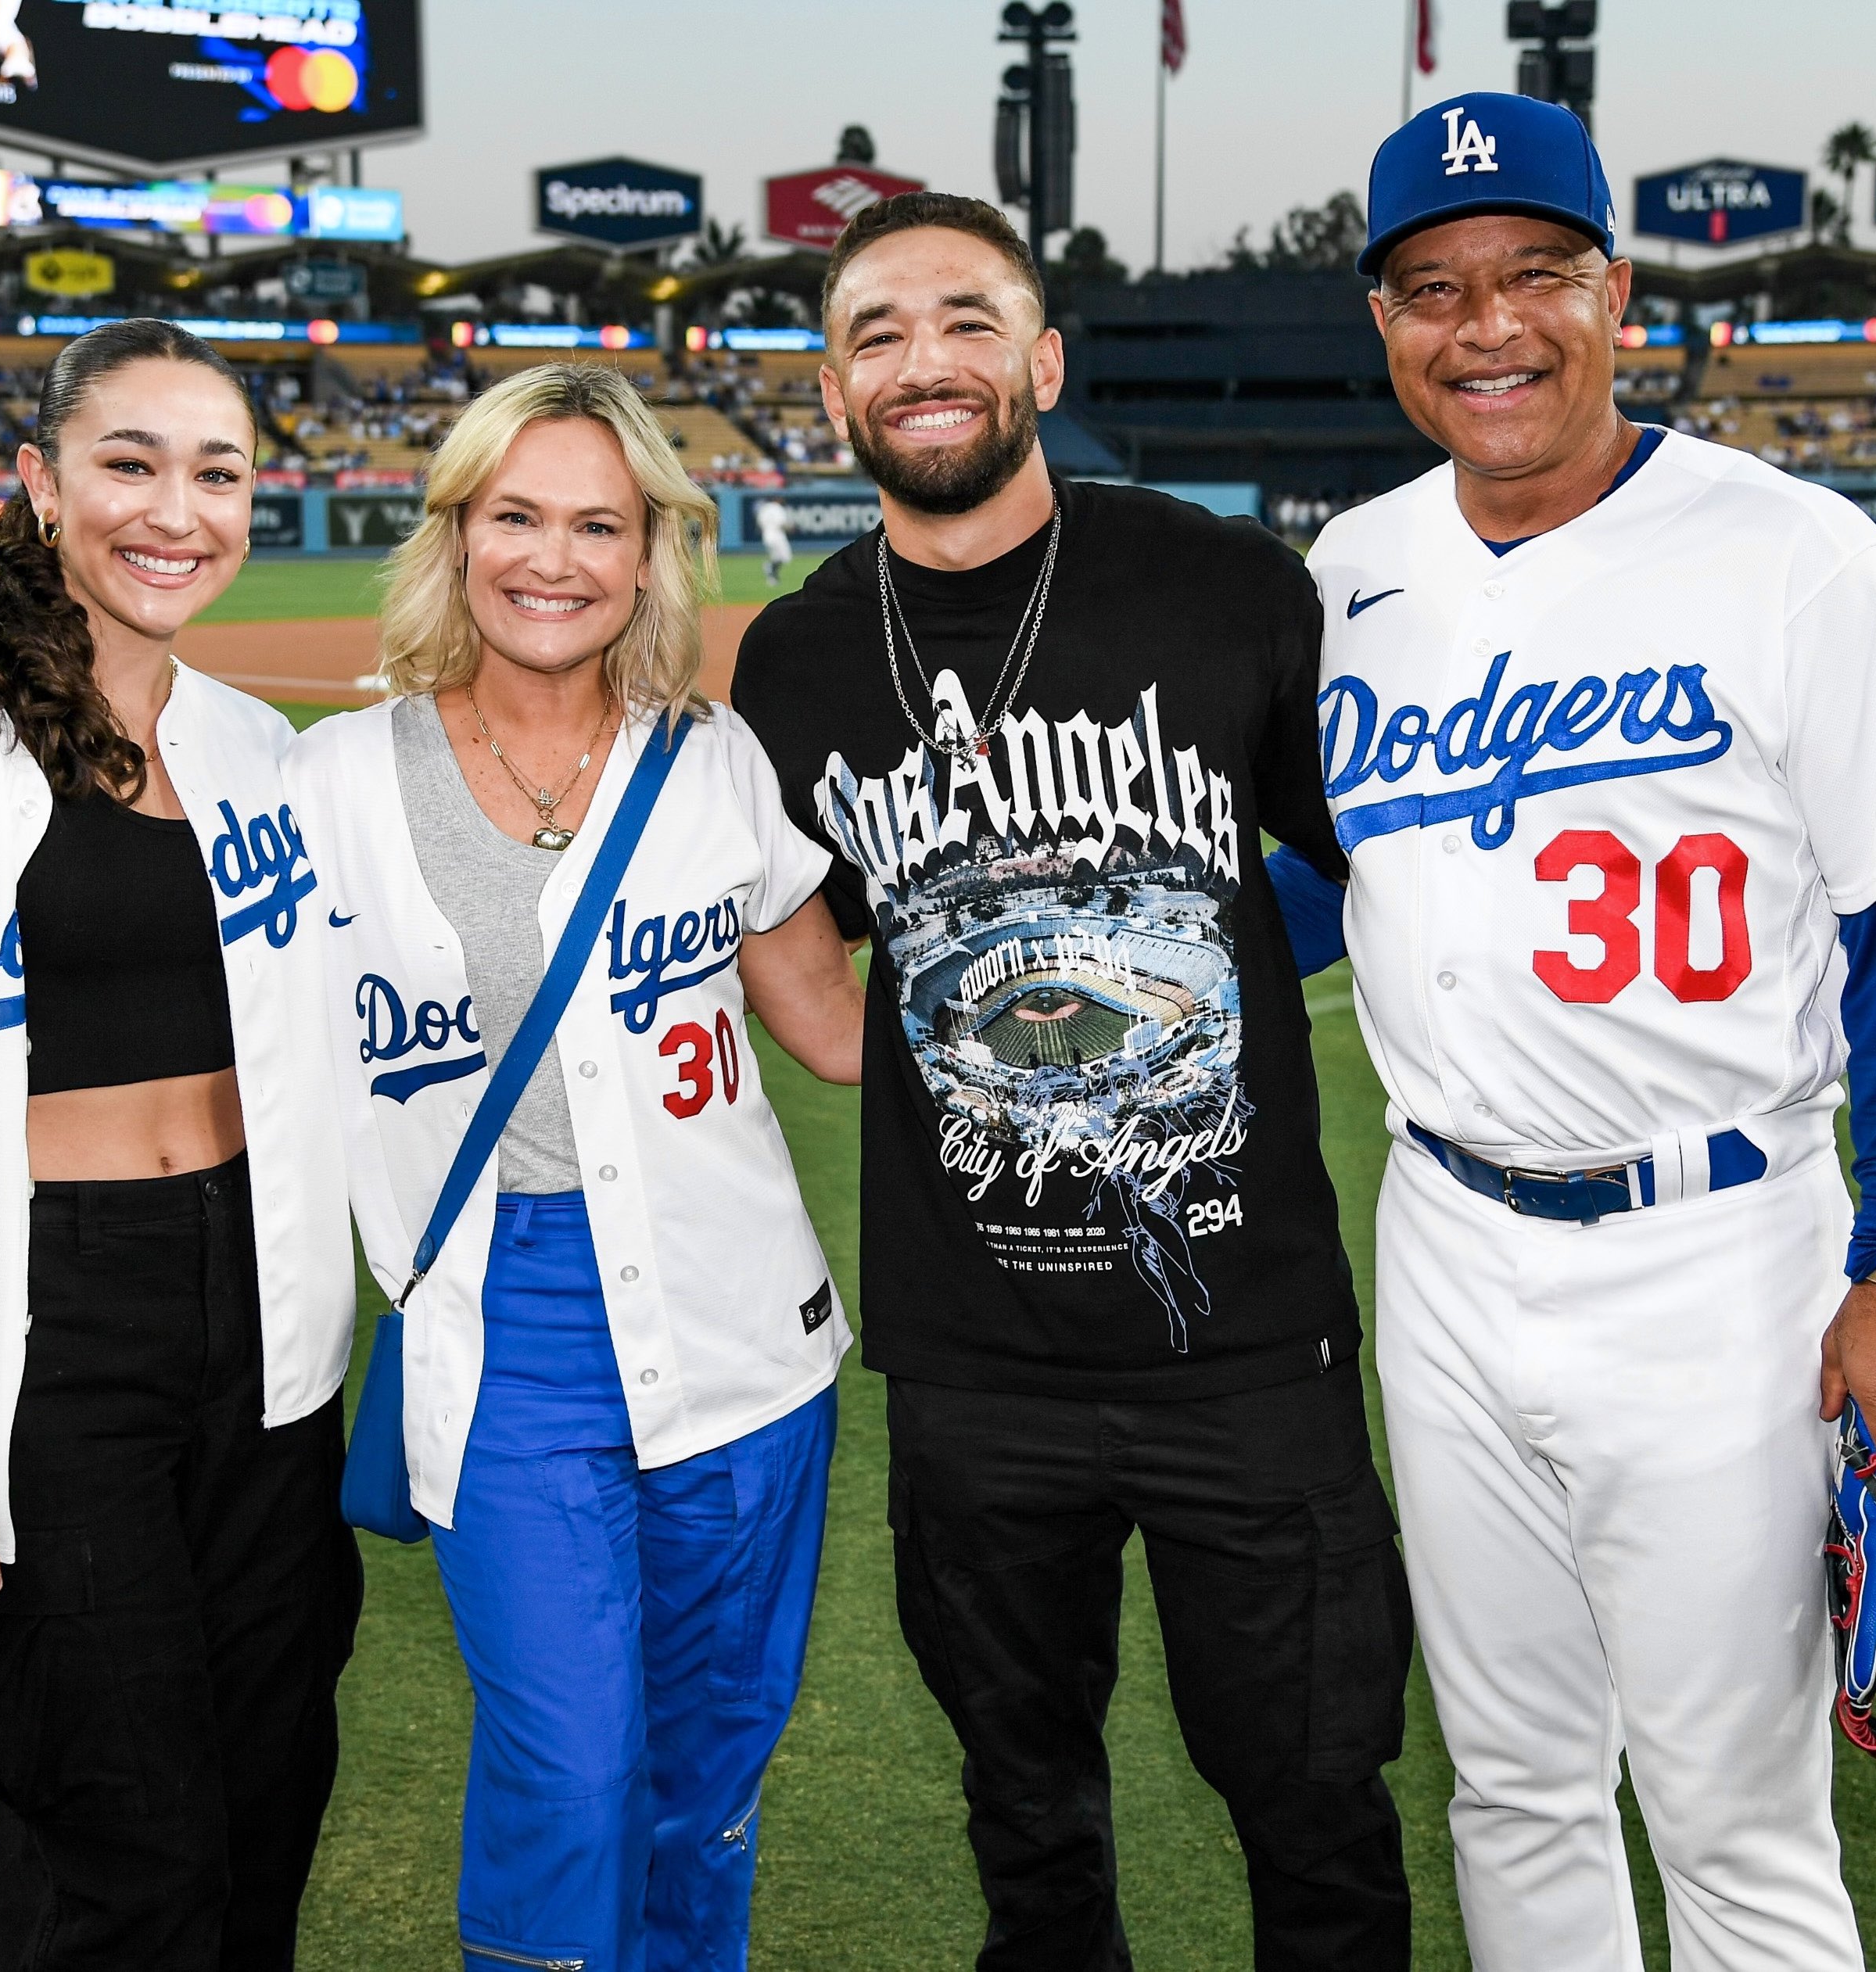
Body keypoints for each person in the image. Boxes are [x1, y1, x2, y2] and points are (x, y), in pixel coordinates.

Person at [1301, 95, 1876, 1970]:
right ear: (1385, 326)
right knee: (1512, 1781)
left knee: (1734, 1822)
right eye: (1434, 289)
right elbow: (1307, 886)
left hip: (1714, 1252)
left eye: (1534, 275)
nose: (1488, 327)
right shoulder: (1348, 574)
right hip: (1441, 1239)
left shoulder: (1794, 553)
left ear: (1615, 292)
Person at [730, 192, 1415, 1969]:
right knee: (1025, 1815)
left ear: (1040, 359)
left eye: (964, 319)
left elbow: (1382, 859)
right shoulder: (795, 661)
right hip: (974, 1373)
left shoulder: (1221, 588)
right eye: (874, 331)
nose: (921, 359)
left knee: (1315, 1812)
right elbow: (805, 980)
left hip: (1245, 1352)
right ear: (830, 393)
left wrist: (1190, 961)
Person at [0, 318, 362, 1970]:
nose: (178, 509)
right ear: (37, 481)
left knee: (264, 1796)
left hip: (266, 1315)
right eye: (130, 461)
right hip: (56, 1319)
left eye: (219, 472)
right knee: (119, 1824)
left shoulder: (259, 747)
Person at [283, 362, 865, 1971]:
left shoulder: (712, 761)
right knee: (570, 1764)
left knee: (706, 1768)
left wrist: (1082, 982)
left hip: (740, 1326)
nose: (553, 558)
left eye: (595, 524)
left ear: (647, 553)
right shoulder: (325, 786)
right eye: (515, 516)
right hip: (502, 1326)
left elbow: (831, 1027)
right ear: (456, 532)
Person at [755, 493, 793, 587]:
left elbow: (759, 523)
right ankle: (771, 570)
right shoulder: (778, 508)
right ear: (778, 499)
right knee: (785, 557)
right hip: (778, 535)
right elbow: (782, 523)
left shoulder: (765, 508)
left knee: (777, 557)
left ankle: (771, 570)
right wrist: (791, 528)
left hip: (767, 535)